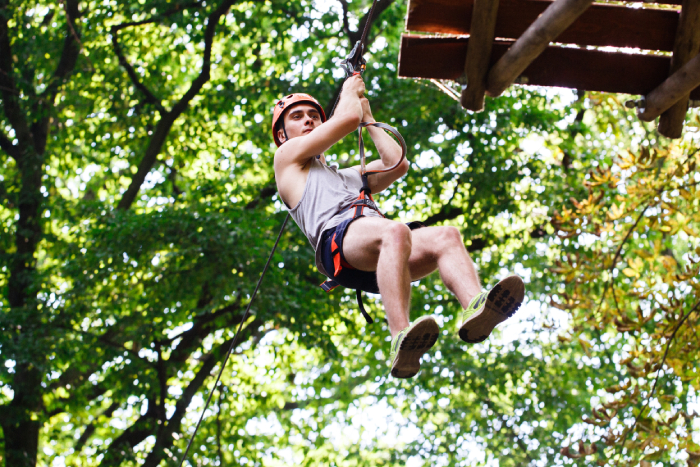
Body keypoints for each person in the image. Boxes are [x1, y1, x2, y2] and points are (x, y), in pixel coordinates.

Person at [272, 75, 524, 379]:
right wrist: (349, 92)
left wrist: (368, 118)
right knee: (395, 230)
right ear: (283, 135)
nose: (309, 121)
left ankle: (476, 306)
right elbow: (347, 118)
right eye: (297, 117)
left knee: (446, 236)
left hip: (379, 252)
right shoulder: (286, 159)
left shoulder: (350, 176)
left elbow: (397, 163)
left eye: (314, 115)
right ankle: (400, 336)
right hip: (339, 245)